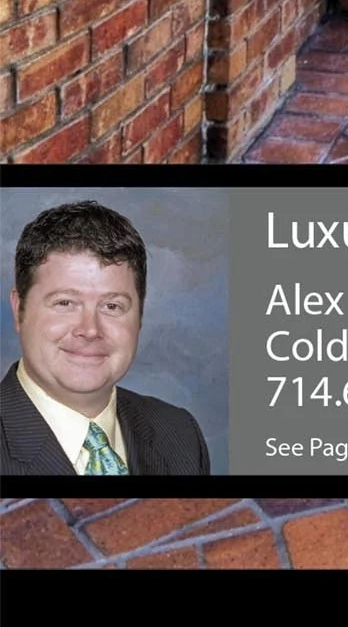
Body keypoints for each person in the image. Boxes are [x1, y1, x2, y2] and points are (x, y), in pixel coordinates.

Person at [2, 201, 210, 476]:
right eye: (65, 303)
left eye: (112, 306)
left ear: (140, 315)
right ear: (19, 309)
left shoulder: (180, 435)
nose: (90, 330)